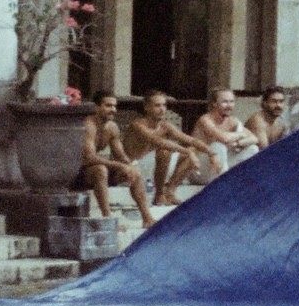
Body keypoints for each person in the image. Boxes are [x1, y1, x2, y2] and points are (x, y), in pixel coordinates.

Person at [81, 92, 157, 228]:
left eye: (114, 106)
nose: (113, 110)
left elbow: (120, 156)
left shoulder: (112, 127)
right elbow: (89, 157)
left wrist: (129, 165)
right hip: (77, 172)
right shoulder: (89, 125)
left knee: (134, 171)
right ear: (96, 107)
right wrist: (120, 166)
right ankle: (108, 219)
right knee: (100, 170)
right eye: (108, 105)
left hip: (93, 170)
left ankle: (147, 218)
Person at [121, 90, 209, 206]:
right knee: (165, 151)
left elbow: (191, 140)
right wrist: (188, 152)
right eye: (157, 105)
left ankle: (170, 192)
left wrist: (212, 154)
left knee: (195, 149)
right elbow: (159, 142)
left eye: (164, 105)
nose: (162, 109)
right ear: (147, 107)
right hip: (134, 168)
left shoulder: (165, 125)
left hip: (153, 169)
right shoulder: (138, 125)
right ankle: (159, 195)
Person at [192, 88, 261, 177]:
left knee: (253, 149)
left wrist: (237, 143)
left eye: (231, 102)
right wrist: (241, 135)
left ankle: (241, 180)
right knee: (218, 146)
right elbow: (224, 138)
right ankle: (223, 182)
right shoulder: (205, 120)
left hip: (219, 166)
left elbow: (255, 139)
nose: (229, 106)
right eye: (225, 102)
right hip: (198, 169)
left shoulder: (233, 121)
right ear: (214, 103)